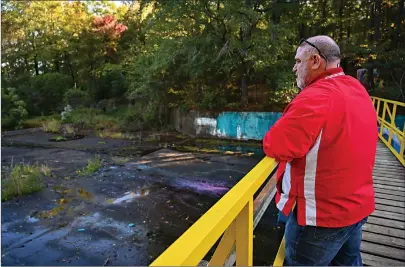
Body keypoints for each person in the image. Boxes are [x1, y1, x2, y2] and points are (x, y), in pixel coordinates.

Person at [262, 35, 378, 266]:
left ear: (315, 61)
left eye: (298, 61)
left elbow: (275, 144)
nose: (294, 67)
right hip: (355, 208)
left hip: (321, 219)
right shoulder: (356, 88)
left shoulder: (316, 97)